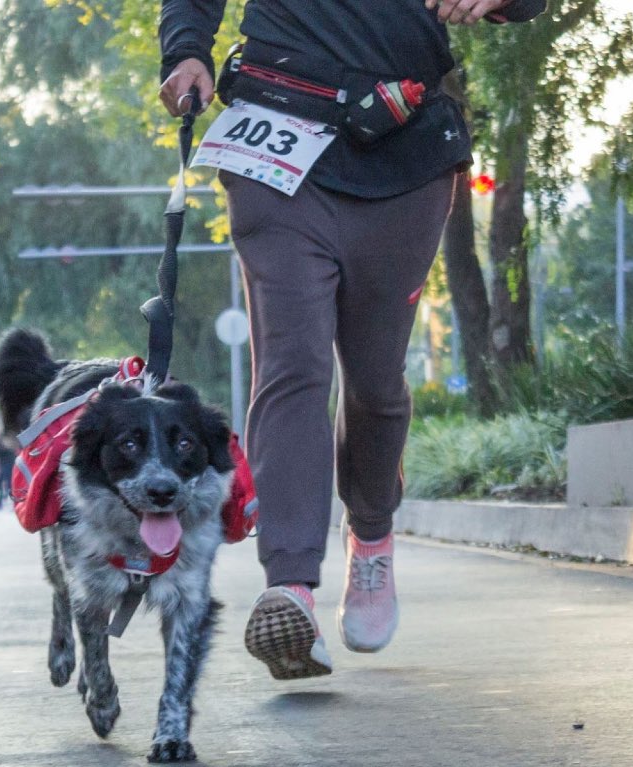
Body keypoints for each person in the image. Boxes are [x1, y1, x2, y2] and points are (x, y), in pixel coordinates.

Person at [158, 0, 547, 679]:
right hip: (274, 129)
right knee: (293, 361)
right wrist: (186, 50)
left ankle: (370, 530)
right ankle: (290, 584)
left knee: (374, 378)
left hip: (401, 143)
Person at [0, 431, 17, 511]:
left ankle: (14, 504)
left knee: (10, 486)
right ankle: (0, 503)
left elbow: (1, 451)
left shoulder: (6, 444)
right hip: (3, 468)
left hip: (8, 467)